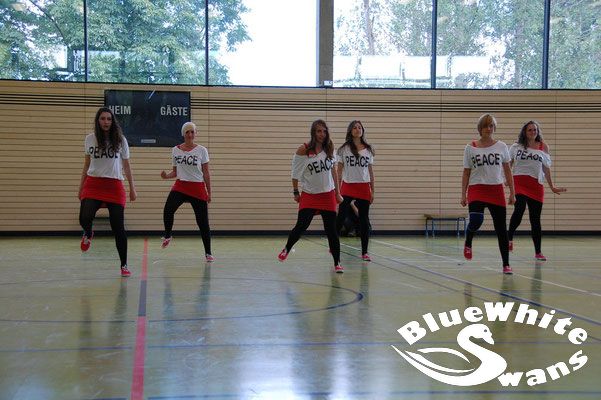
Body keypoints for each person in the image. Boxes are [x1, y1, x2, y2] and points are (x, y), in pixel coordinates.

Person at [278, 119, 344, 272]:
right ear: (313, 132)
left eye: (324, 131)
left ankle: (337, 262)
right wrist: (295, 191)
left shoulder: (329, 147)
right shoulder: (304, 149)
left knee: (331, 230)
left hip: (328, 194)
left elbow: (333, 171)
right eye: (319, 131)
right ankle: (287, 248)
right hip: (310, 194)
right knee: (302, 225)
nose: (322, 134)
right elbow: (295, 173)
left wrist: (337, 192)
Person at [78, 107, 137, 277]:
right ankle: (88, 233)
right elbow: (86, 164)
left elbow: (126, 166)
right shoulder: (90, 139)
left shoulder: (120, 140)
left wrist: (132, 188)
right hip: (93, 183)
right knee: (84, 217)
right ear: (98, 121)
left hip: (114, 185)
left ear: (113, 122)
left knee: (118, 227)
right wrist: (80, 187)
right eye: (103, 118)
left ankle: (124, 265)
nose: (106, 122)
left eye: (109, 119)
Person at [460, 114, 515, 275]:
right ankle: (468, 240)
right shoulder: (470, 147)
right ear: (480, 128)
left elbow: (507, 170)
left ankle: (506, 264)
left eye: (491, 126)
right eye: (485, 126)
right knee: (476, 220)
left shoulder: (502, 146)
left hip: (496, 189)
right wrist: (463, 194)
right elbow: (466, 172)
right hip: (477, 188)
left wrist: (512, 192)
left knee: (501, 229)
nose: (488, 129)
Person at [508, 121, 566, 261]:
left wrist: (552, 186)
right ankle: (509, 237)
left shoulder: (543, 146)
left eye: (535, 130)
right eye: (530, 130)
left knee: (535, 219)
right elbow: (508, 164)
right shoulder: (516, 146)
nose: (533, 132)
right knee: (519, 209)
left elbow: (546, 168)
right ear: (525, 132)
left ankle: (538, 252)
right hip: (519, 182)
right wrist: (506, 180)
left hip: (536, 186)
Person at [160, 122, 214, 262]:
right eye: (187, 132)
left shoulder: (202, 150)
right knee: (168, 210)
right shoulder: (175, 150)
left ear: (195, 134)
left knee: (203, 222)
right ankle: (168, 235)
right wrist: (166, 176)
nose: (190, 134)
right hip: (181, 186)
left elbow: (206, 173)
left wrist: (209, 192)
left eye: (192, 132)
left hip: (197, 187)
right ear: (183, 134)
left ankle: (208, 253)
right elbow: (175, 172)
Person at [335, 120, 375, 261]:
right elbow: (339, 172)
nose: (358, 129)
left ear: (362, 130)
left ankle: (365, 252)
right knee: (340, 217)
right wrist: (337, 190)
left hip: (363, 186)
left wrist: (373, 190)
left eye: (359, 127)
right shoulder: (343, 149)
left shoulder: (368, 149)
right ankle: (333, 244)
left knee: (364, 220)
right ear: (350, 131)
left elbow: (370, 172)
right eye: (354, 127)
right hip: (348, 185)